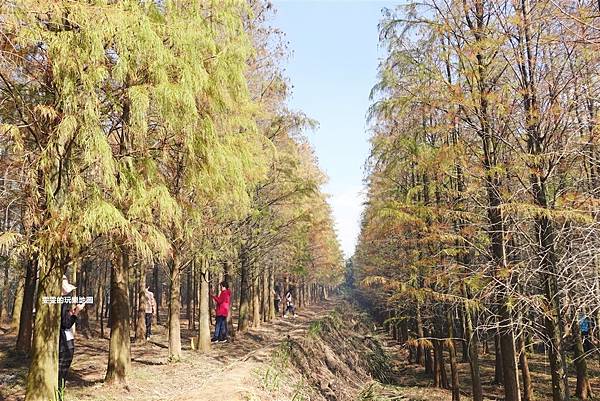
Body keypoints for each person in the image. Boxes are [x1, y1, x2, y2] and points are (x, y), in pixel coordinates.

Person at [59, 275, 84, 398]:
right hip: (63, 342)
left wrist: (72, 313)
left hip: (66, 340)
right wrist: (77, 312)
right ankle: (59, 394)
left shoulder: (62, 301)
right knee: (61, 371)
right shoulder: (60, 302)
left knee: (63, 370)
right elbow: (66, 323)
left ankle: (60, 392)